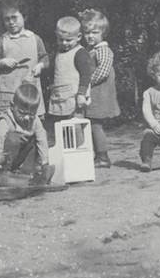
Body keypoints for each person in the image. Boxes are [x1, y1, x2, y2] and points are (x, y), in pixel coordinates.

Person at [0, 0, 48, 115]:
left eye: (14, 18)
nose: (11, 22)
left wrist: (40, 66)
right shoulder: (2, 41)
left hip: (29, 87)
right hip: (8, 89)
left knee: (30, 119)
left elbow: (45, 59)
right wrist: (2, 62)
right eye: (7, 19)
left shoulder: (35, 39)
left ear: (24, 17)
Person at [0, 84, 53, 182]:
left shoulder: (35, 121)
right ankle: (5, 173)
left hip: (22, 157)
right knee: (13, 138)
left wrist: (45, 163)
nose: (27, 118)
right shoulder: (5, 121)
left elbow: (42, 141)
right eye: (22, 113)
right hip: (4, 160)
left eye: (31, 114)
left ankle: (26, 174)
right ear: (12, 106)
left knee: (37, 138)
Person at [81, 9, 120, 169]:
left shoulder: (103, 50)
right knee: (92, 123)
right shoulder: (93, 50)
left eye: (95, 32)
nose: (90, 36)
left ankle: (102, 157)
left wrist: (87, 82)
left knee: (96, 124)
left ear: (103, 32)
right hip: (95, 93)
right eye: (87, 32)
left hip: (99, 92)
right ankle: (97, 154)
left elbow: (103, 70)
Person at [48, 16, 94, 120]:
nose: (64, 43)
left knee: (75, 127)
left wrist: (81, 94)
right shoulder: (58, 52)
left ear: (78, 37)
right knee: (61, 128)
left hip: (74, 99)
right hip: (59, 97)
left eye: (68, 40)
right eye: (61, 39)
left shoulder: (80, 53)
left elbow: (86, 75)